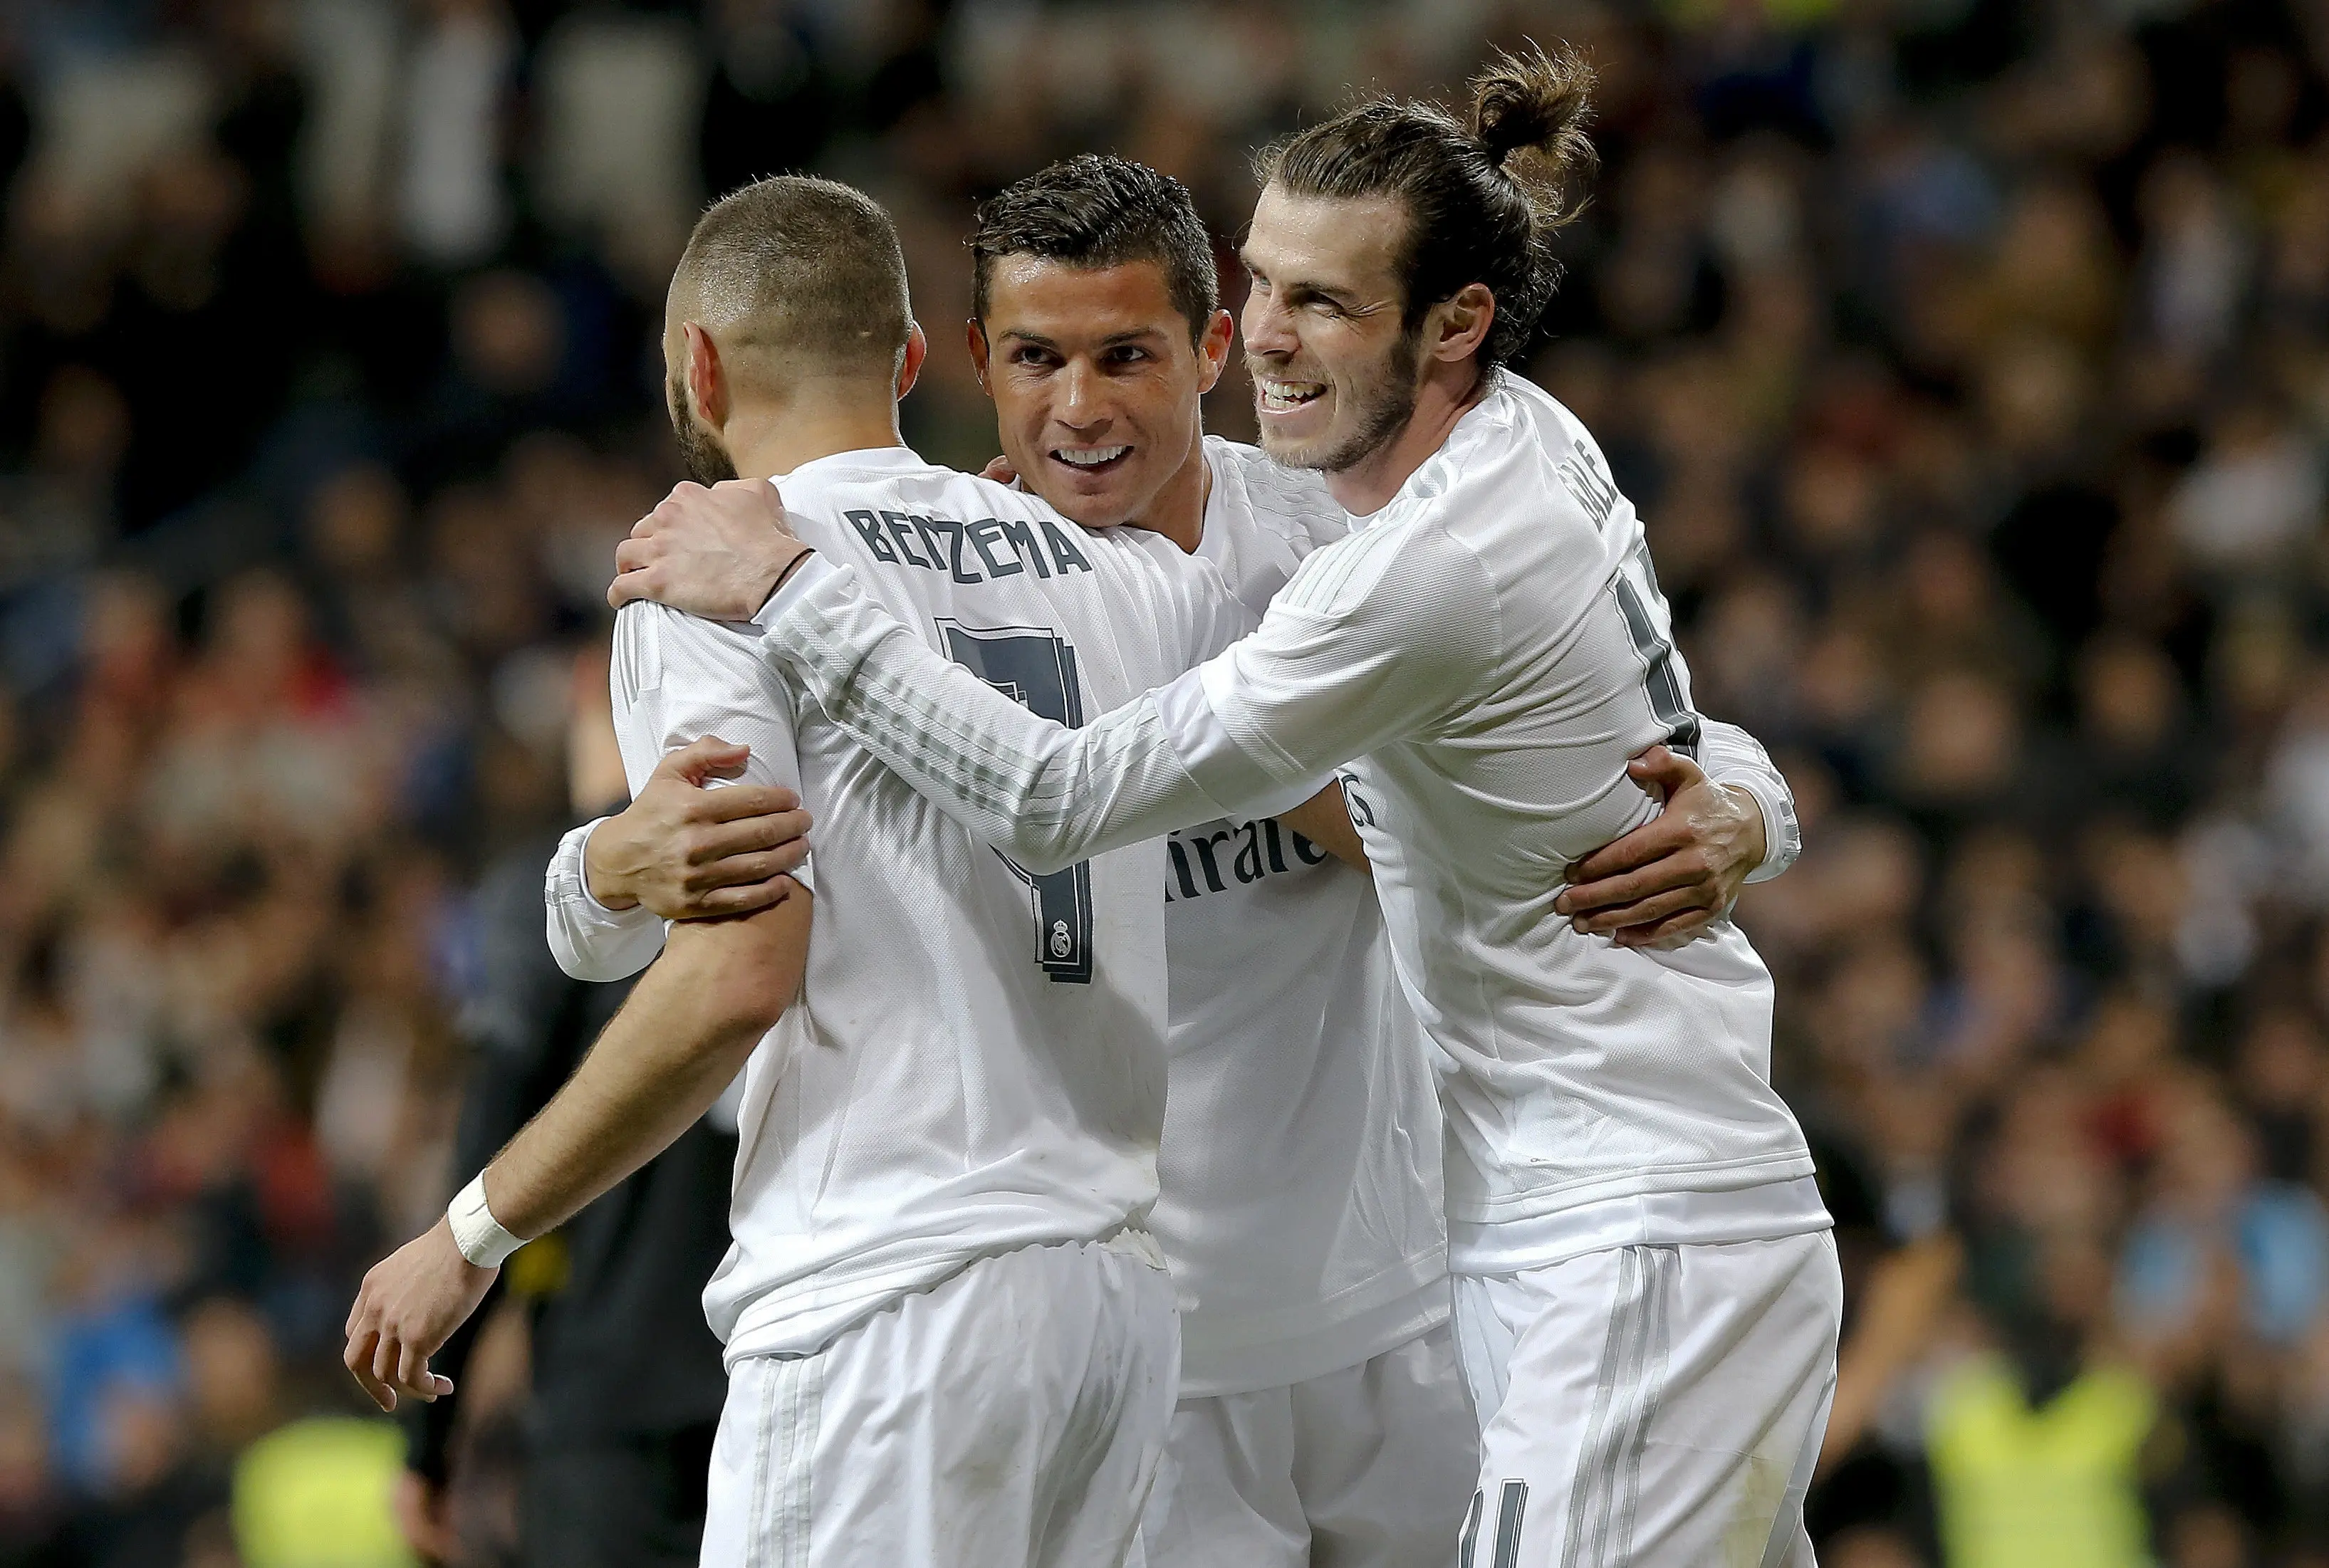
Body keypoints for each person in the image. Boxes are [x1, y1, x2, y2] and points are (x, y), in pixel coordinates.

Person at [610, 46, 1840, 1567]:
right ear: (968, 364)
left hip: (1409, 1306)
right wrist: (604, 862)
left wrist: (1744, 806)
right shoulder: (923, 587)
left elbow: (1640, 715)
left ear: (1202, 353)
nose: (1079, 409)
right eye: (1037, 359)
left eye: (1126, 355)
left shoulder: (1341, 541)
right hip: (1157, 1344)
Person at [344, 174, 1271, 1568]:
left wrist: (468, 1233)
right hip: (1114, 1311)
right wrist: (598, 873)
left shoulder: (713, 564)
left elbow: (737, 968)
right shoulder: (1109, 563)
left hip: (884, 1305)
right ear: (909, 360)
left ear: (698, 368)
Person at [395, 649, 738, 1568]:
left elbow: (489, 1133)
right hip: (778, 1359)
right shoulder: (776, 855)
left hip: (609, 1393)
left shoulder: (555, 887)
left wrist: (432, 1445)